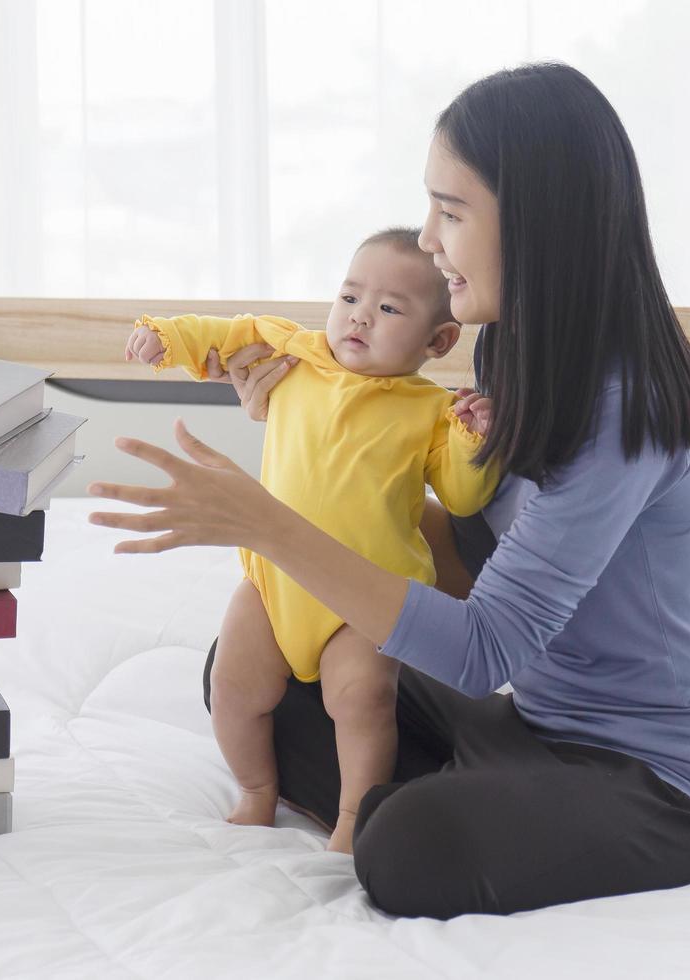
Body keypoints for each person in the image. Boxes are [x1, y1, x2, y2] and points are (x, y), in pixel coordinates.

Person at [85, 62, 690, 919]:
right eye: (430, 208)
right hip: (534, 731)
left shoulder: (620, 407)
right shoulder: (508, 354)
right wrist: (329, 445)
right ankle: (470, 804)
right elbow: (467, 560)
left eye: (451, 212)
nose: (430, 240)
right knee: (252, 678)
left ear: (537, 224)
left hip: (663, 782)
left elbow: (485, 648)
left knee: (405, 848)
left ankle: (442, 812)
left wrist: (268, 524)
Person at [122, 228, 497, 854]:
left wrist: (473, 439)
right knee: (233, 688)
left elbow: (462, 498)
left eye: (388, 309)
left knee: (363, 702)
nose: (359, 317)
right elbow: (228, 335)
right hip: (272, 583)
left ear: (439, 340)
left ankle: (352, 818)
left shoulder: (429, 409)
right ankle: (255, 791)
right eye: (350, 296)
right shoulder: (295, 355)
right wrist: (166, 336)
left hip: (364, 601)